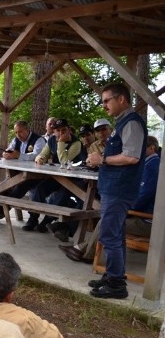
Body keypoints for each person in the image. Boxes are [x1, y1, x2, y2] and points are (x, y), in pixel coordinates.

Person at [86, 83, 147, 299]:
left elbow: (132, 157)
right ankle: (114, 276)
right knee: (116, 234)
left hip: (120, 190)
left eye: (106, 100)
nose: (104, 105)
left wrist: (101, 159)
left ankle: (116, 285)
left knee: (109, 234)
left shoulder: (131, 124)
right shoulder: (123, 123)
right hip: (115, 188)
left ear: (121, 99)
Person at [60, 136, 159, 264]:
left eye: (141, 148)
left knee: (107, 220)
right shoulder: (148, 164)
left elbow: (142, 197)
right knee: (108, 214)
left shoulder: (152, 167)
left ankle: (86, 254)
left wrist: (123, 207)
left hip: (148, 222)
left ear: (152, 148)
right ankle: (80, 248)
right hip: (142, 216)